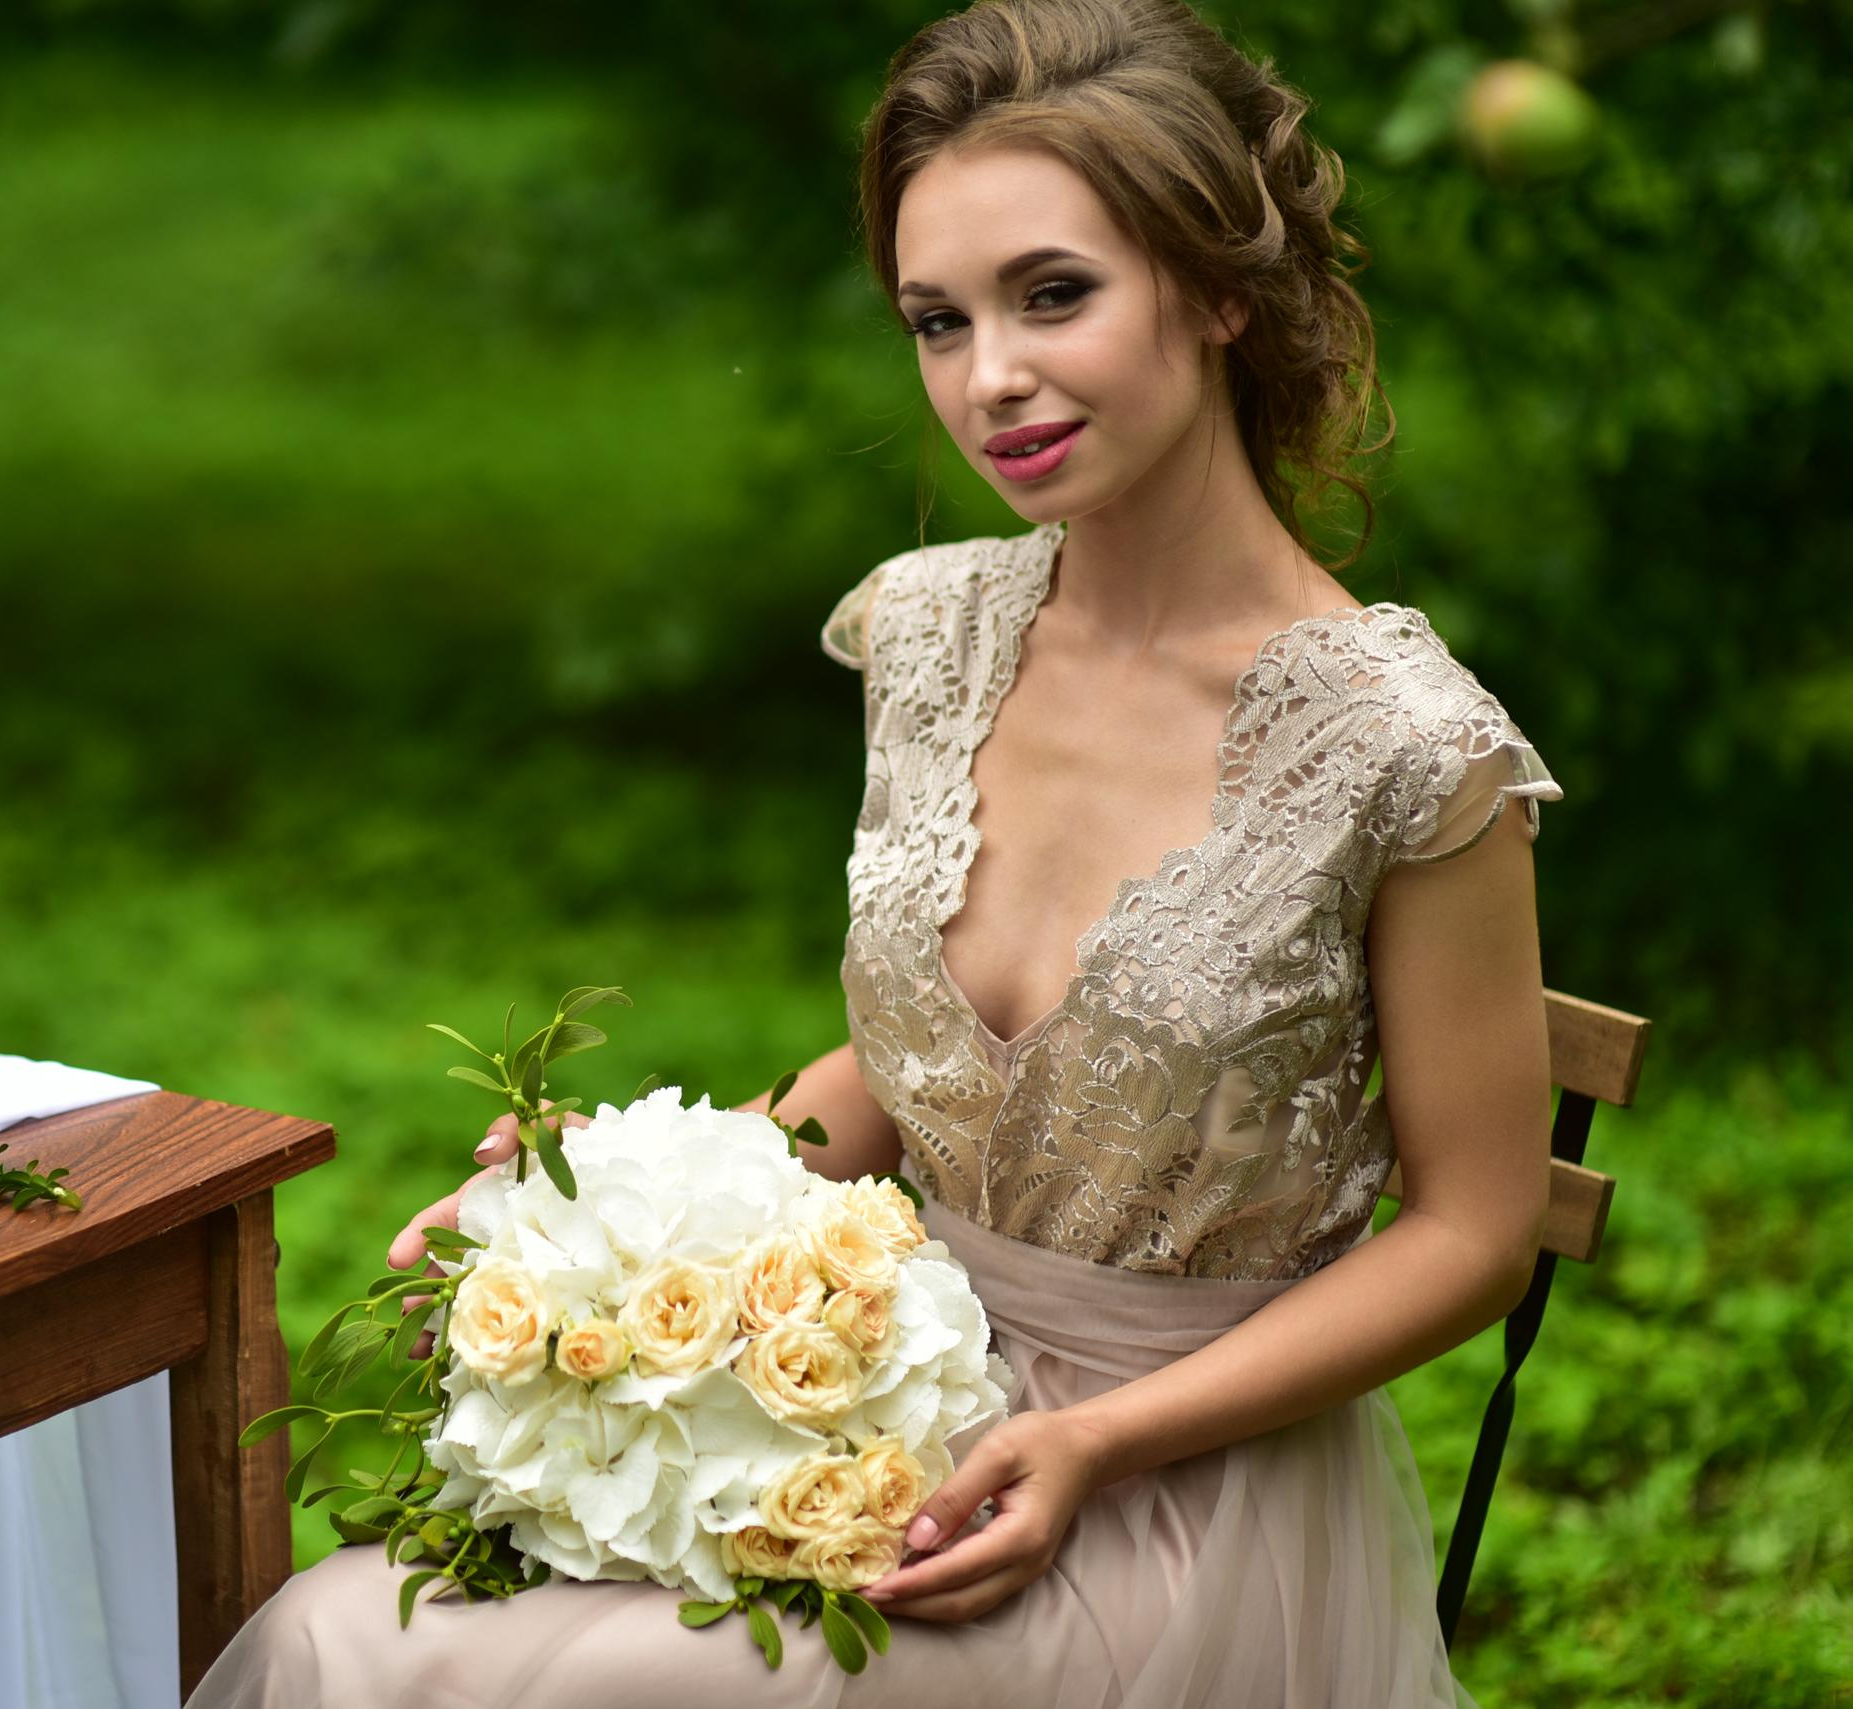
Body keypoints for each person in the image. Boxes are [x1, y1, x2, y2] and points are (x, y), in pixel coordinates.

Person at [187, 0, 1561, 1701]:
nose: (990, 378)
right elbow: (917, 1074)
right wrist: (602, 1231)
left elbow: (1475, 1232)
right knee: (351, 1626)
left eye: (1055, 293)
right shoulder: (931, 634)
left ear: (1220, 290)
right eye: (938, 319)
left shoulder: (1408, 751)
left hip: (1182, 1490)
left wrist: (1100, 1443)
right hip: (878, 1400)